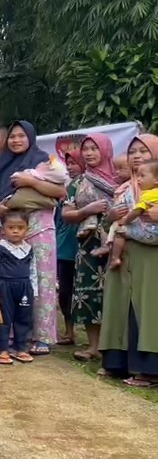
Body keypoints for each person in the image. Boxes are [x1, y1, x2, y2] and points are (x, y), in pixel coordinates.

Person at [0, 121, 65, 356]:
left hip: (39, 229)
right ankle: (13, 334)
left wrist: (31, 182)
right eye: (12, 137)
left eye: (21, 136)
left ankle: (41, 337)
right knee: (10, 282)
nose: (16, 140)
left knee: (41, 283)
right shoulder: (5, 164)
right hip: (10, 231)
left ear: (31, 137)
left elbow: (60, 193)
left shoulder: (43, 161)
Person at [100, 134, 158, 387]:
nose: (136, 156)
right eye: (132, 151)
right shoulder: (124, 188)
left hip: (150, 260)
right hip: (123, 258)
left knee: (148, 312)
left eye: (143, 151)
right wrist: (111, 216)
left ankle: (149, 370)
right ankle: (118, 363)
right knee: (120, 308)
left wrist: (125, 230)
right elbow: (108, 224)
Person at [59, 134, 115, 360]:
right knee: (89, 293)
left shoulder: (120, 180)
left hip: (118, 242)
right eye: (86, 149)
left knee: (114, 292)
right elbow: (66, 215)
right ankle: (93, 346)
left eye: (95, 148)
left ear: (106, 150)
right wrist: (87, 210)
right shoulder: (77, 183)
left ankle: (114, 345)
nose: (90, 153)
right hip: (87, 243)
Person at [0, 211, 38, 365]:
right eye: (11, 227)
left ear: (27, 230)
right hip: (4, 287)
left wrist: (34, 291)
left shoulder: (29, 249)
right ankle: (3, 350)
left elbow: (33, 271)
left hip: (24, 288)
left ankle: (21, 348)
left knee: (23, 318)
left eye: (20, 228)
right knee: (4, 318)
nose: (15, 231)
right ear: (3, 230)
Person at [54, 150, 84, 346]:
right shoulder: (64, 187)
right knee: (65, 290)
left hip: (81, 244)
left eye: (75, 162)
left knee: (80, 290)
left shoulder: (87, 185)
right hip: (64, 245)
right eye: (69, 163)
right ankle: (69, 331)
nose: (71, 166)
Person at [108, 159, 158, 268]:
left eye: (142, 176)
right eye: (137, 175)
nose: (138, 179)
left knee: (120, 231)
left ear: (156, 180)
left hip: (150, 234)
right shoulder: (129, 189)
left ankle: (115, 257)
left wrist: (125, 220)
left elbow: (136, 211)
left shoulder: (148, 194)